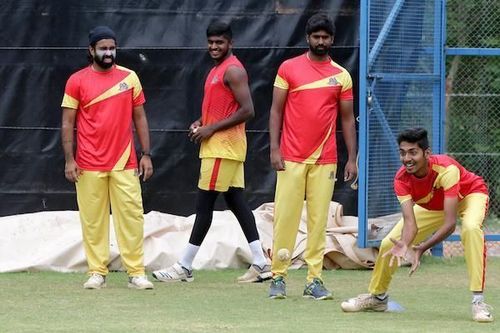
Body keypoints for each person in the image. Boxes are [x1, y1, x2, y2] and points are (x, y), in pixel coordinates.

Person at [152, 21, 271, 283]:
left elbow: (248, 110)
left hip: (222, 149)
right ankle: (261, 263)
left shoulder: (233, 70)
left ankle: (184, 266)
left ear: (231, 43)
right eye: (211, 42)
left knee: (204, 205)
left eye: (220, 42)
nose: (214, 47)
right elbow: (222, 109)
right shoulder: (217, 70)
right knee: (236, 202)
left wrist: (210, 129)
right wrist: (201, 122)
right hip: (222, 147)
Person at [341, 128, 493, 323]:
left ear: (426, 153)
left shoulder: (447, 170)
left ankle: (478, 302)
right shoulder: (401, 179)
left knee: (471, 228)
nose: (407, 158)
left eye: (413, 152)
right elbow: (410, 223)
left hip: (471, 195)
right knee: (390, 244)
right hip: (434, 206)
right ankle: (377, 297)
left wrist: (422, 248)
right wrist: (405, 243)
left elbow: (449, 223)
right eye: (403, 153)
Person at [268, 13, 357, 300]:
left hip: (325, 159)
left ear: (332, 39)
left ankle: (314, 280)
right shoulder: (288, 68)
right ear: (308, 38)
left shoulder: (341, 75)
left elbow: (346, 119)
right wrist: (274, 148)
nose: (321, 41)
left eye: (325, 37)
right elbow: (275, 111)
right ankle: (278, 277)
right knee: (286, 217)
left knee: (319, 222)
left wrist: (352, 157)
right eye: (316, 36)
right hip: (291, 157)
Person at [61, 26, 154, 290]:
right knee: (92, 220)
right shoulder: (76, 80)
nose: (108, 53)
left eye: (112, 48)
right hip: (88, 163)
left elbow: (140, 117)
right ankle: (96, 272)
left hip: (125, 162)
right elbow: (67, 123)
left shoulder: (130, 77)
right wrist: (69, 159)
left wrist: (146, 154)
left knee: (132, 216)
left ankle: (136, 273)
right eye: (103, 48)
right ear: (91, 51)